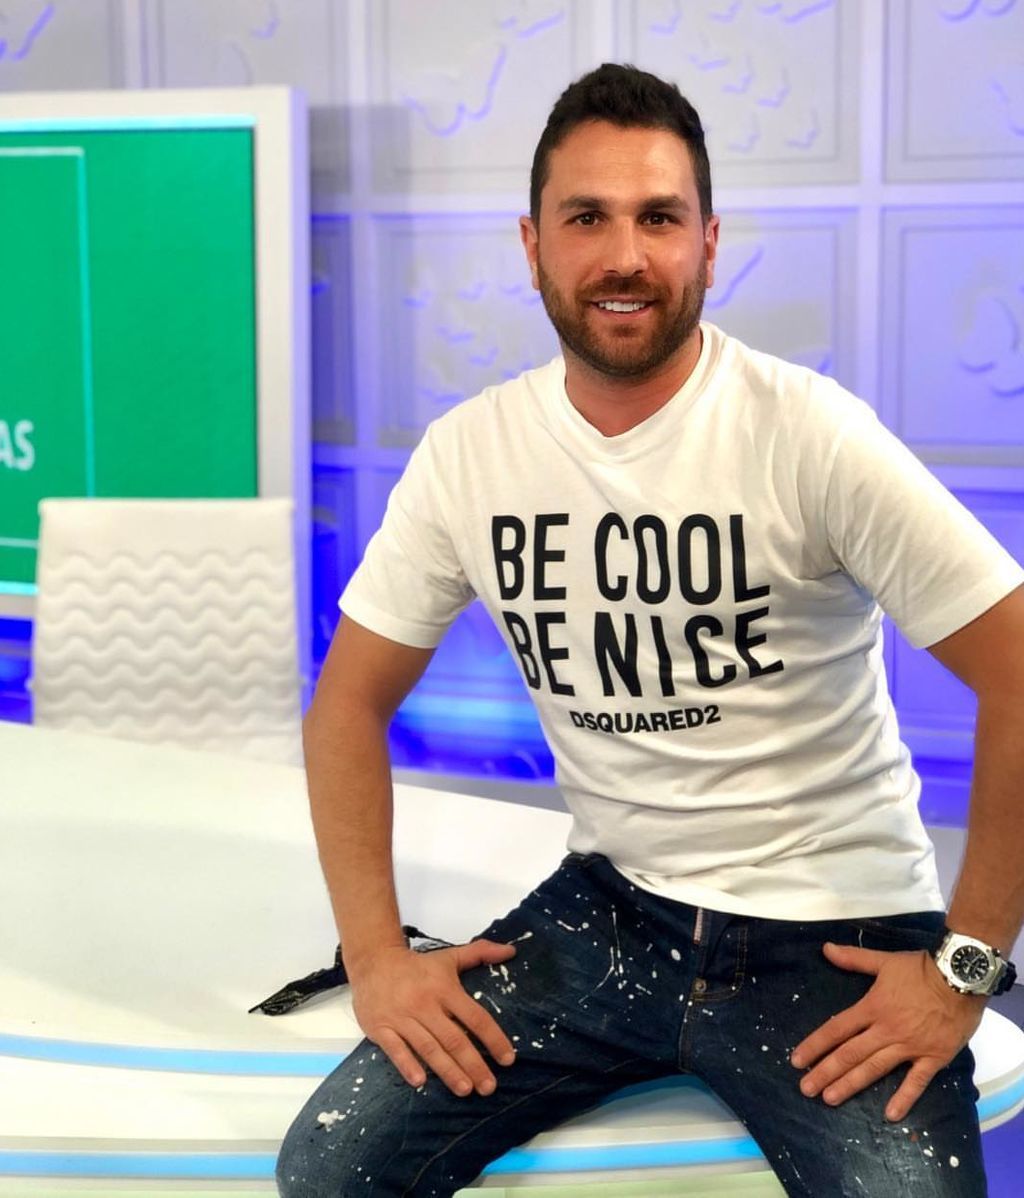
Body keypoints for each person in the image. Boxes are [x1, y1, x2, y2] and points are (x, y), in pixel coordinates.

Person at [277, 63, 1024, 1196]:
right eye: (587, 217)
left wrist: (963, 968)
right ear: (531, 245)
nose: (624, 254)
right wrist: (377, 956)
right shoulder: (470, 455)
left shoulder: (809, 434)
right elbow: (347, 700)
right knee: (330, 1169)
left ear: (708, 245)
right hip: (612, 908)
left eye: (659, 218)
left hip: (838, 925)